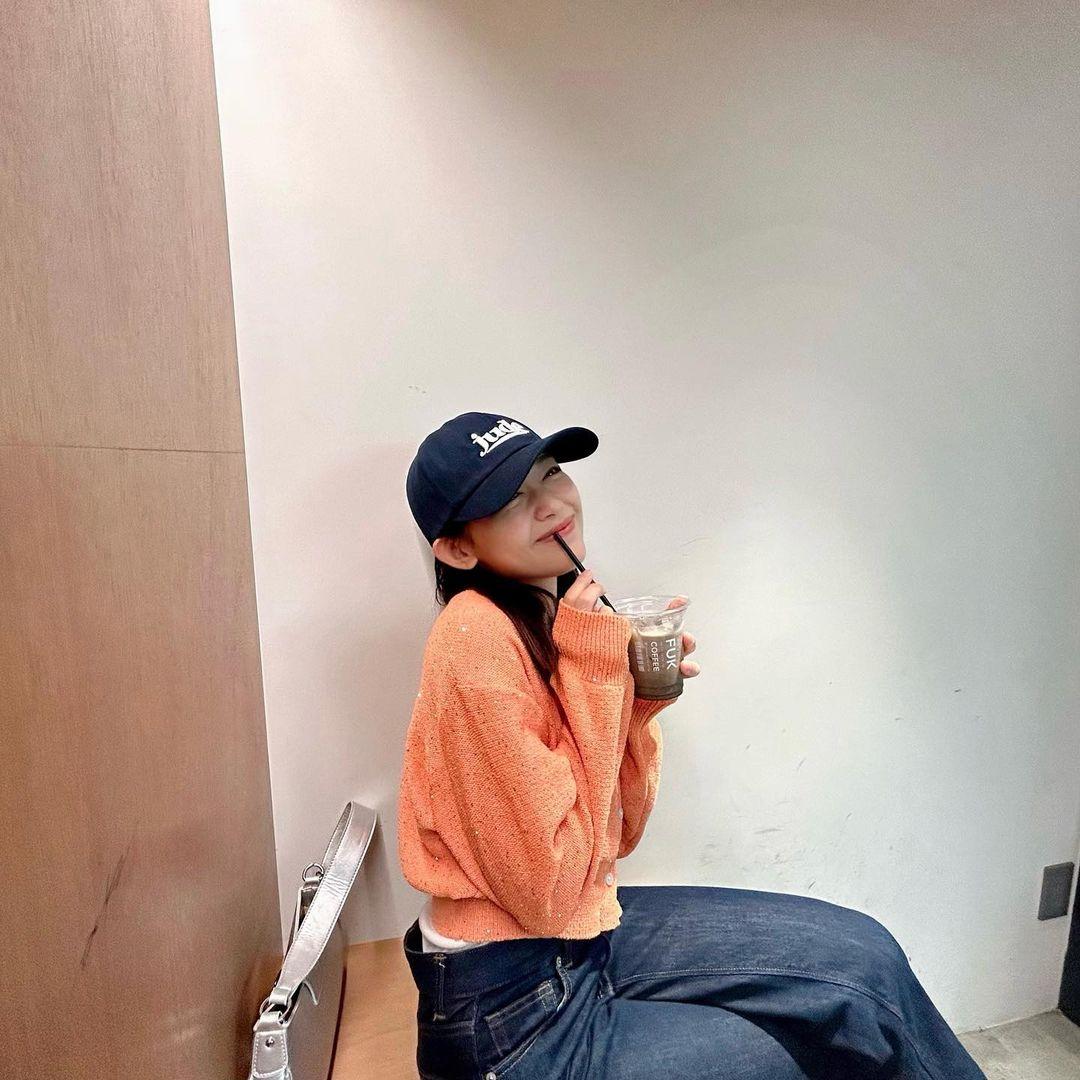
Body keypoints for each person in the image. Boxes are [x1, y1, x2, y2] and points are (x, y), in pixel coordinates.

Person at [397, 411, 986, 1079]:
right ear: (458, 550)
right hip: (513, 1014)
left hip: (574, 944)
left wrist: (634, 706)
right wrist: (595, 674)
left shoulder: (546, 619)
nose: (551, 504)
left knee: (863, 961)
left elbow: (613, 837)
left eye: (552, 473)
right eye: (511, 499)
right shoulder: (473, 638)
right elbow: (550, 890)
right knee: (791, 1053)